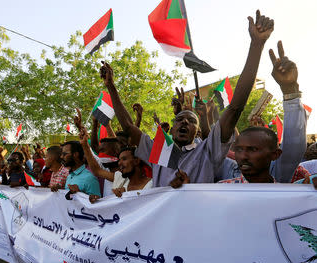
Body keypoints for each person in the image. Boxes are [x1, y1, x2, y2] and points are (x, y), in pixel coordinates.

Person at [100, 10, 274, 186]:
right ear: (173, 127)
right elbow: (129, 127)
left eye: (191, 121)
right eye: (179, 119)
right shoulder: (158, 150)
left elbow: (235, 107)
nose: (184, 122)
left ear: (197, 130)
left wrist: (257, 45)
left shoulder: (207, 152)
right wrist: (111, 87)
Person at [217, 41, 308, 183]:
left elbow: (293, 145)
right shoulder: (222, 190)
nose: (243, 156)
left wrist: (289, 90)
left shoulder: (285, 187)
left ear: (275, 154)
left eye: (253, 149)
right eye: (239, 149)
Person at [79, 128, 152, 201]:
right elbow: (97, 171)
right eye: (119, 160)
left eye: (124, 159)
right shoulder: (120, 178)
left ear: (136, 161)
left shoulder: (152, 185)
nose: (120, 163)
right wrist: (85, 145)